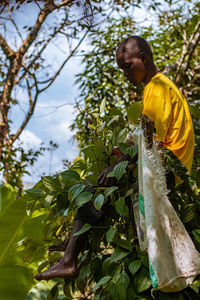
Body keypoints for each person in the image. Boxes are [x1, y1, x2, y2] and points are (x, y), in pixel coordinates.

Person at [35, 36, 194, 281]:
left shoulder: (158, 88)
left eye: (127, 66)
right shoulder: (157, 87)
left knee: (94, 189)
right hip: (166, 166)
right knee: (105, 181)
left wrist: (116, 166)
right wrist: (122, 154)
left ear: (143, 58)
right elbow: (146, 135)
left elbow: (152, 139)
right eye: (121, 69)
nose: (125, 74)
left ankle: (69, 260)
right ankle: (69, 248)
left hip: (169, 171)